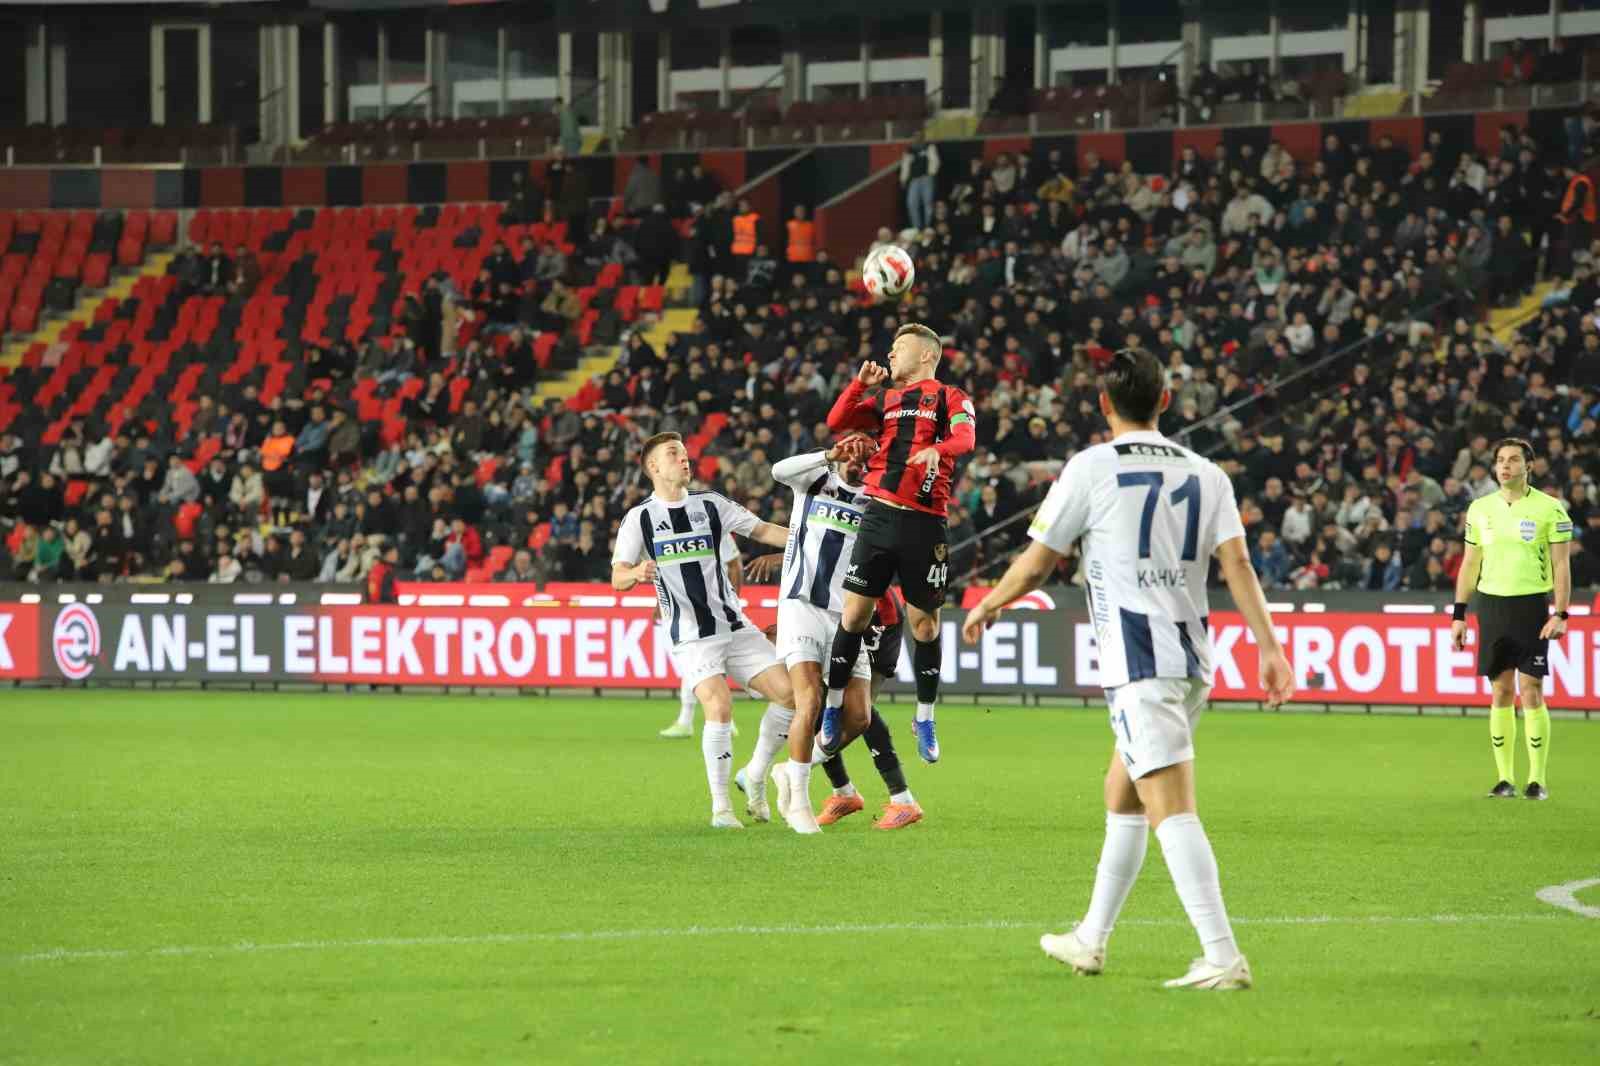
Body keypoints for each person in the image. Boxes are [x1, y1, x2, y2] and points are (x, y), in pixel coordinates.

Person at [962, 347, 1294, 991]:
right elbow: (1239, 566)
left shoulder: (1091, 467)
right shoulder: (1207, 473)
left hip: (1140, 661)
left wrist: (989, 603)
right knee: (1123, 789)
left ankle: (1222, 954)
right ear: (1166, 402)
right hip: (1192, 656)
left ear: (1103, 404)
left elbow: (1037, 562)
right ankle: (1091, 938)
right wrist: (1270, 647)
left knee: (1170, 806)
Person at [611, 432, 797, 829]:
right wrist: (636, 573)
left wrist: (810, 537)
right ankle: (722, 809)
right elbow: (616, 577)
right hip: (691, 634)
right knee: (719, 706)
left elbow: (762, 530)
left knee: (791, 697)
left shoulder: (710, 505)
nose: (683, 458)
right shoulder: (639, 519)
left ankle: (756, 774)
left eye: (683, 452)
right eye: (672, 453)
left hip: (735, 625)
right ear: (653, 467)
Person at [730, 436, 908, 833]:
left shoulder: (875, 502)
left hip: (847, 616)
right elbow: (779, 470)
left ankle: (788, 772)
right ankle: (800, 804)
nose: (859, 460)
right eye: (854, 451)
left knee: (859, 717)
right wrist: (829, 454)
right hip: (801, 606)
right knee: (808, 701)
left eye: (868, 454)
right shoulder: (813, 480)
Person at [822, 323, 976, 764]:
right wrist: (858, 385)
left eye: (899, 348)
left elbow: (966, 438)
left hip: (927, 524)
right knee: (854, 615)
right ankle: (832, 709)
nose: (891, 355)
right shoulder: (886, 399)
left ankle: (925, 717)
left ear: (927, 355)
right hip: (880, 515)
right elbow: (836, 421)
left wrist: (938, 450)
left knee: (924, 625)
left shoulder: (950, 397)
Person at [1449, 438, 1572, 801]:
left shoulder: (1551, 509)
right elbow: (1470, 563)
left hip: (1531, 606)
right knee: (1500, 690)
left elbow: (1561, 564)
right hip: (1492, 606)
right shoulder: (1479, 509)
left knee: (1531, 690)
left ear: (1528, 466)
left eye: (1513, 460)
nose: (1505, 466)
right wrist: (1459, 614)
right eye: (1500, 460)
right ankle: (1505, 779)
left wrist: (1561, 612)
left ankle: (1537, 779)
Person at [657, 528, 742, 742]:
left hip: (713, 609)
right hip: (689, 610)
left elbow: (734, 565)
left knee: (700, 664)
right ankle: (718, 720)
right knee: (704, 665)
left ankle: (689, 721)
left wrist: (733, 602)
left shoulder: (715, 529)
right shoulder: (675, 534)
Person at [900, 131, 941, 232]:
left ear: (923, 137)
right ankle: (916, 227)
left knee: (928, 203)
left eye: (919, 136)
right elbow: (905, 166)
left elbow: (934, 160)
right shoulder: (909, 150)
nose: (917, 138)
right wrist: (903, 179)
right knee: (911, 203)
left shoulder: (929, 147)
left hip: (926, 178)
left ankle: (928, 225)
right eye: (915, 137)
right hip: (914, 180)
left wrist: (932, 173)